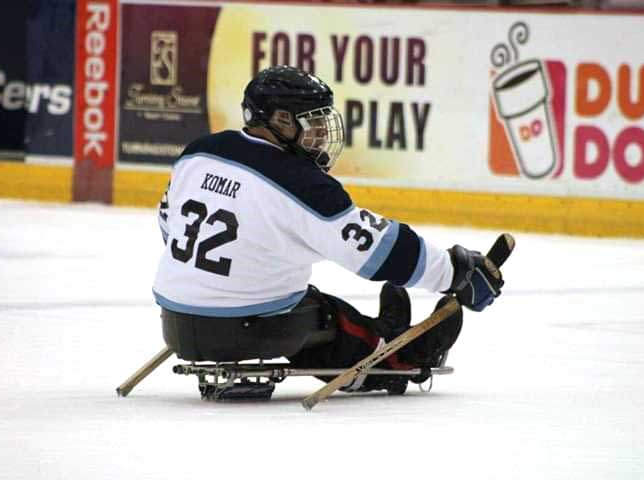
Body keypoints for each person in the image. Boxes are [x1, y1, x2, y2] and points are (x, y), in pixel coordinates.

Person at [153, 65, 504, 394]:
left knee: (286, 296)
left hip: (176, 321)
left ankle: (379, 332)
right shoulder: (300, 183)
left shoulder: (198, 153)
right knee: (317, 315)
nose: (321, 136)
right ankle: (398, 355)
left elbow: (169, 226)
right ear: (281, 120)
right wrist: (455, 273)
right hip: (247, 329)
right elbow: (377, 250)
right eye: (313, 124)